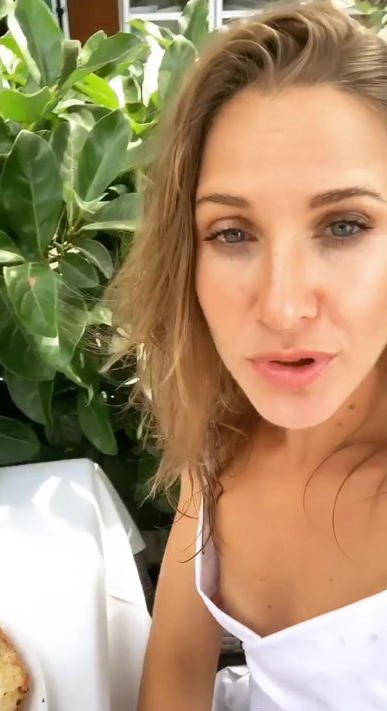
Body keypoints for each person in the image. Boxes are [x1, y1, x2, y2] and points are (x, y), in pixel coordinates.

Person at [108, 1, 387, 708]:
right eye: (232, 233)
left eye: (345, 225)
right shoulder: (221, 445)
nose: (283, 307)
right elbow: (176, 670)